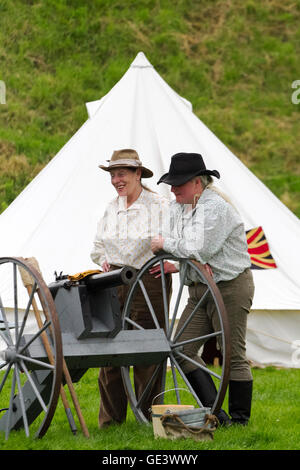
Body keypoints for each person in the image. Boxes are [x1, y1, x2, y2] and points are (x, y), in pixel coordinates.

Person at [151, 152, 255, 426]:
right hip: (199, 288)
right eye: (172, 184)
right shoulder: (179, 207)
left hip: (230, 286)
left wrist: (179, 249)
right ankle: (216, 413)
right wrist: (186, 259)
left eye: (179, 184)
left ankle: (240, 421)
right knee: (180, 348)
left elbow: (195, 246)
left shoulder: (215, 207)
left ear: (198, 183)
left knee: (232, 353)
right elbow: (176, 240)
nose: (172, 190)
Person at [91, 148, 172, 427]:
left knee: (146, 347)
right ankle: (111, 420)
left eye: (122, 173)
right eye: (113, 175)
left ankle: (150, 417)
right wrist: (102, 260)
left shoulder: (159, 205)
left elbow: (174, 240)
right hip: (113, 280)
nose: (116, 180)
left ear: (138, 174)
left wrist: (170, 263)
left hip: (148, 279)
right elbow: (98, 244)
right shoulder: (111, 207)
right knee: (110, 348)